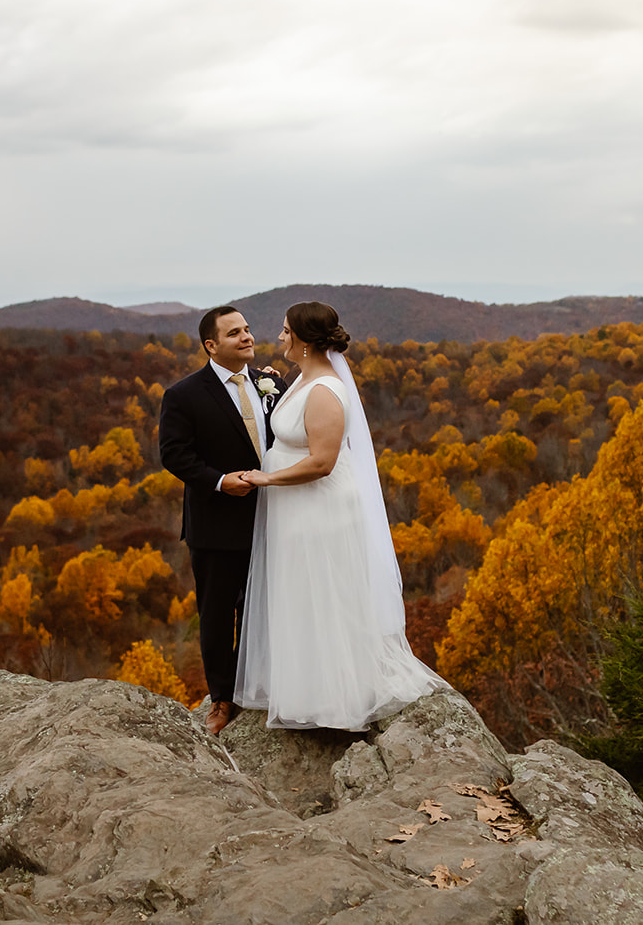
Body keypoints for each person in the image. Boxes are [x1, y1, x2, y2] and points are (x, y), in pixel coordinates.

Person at [233, 301, 446, 730]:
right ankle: (305, 687)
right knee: (301, 591)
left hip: (319, 506)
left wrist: (264, 480)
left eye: (285, 331)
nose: (278, 338)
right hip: (296, 508)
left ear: (305, 341)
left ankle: (335, 698)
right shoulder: (300, 379)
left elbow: (322, 462)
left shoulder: (326, 391)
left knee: (324, 593)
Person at [158, 307, 288, 736]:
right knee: (217, 617)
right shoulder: (184, 395)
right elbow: (175, 455)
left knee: (265, 609)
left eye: (248, 329)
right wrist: (218, 482)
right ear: (212, 345)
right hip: (216, 525)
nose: (247, 337)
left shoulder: (271, 385)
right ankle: (221, 700)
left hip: (272, 521)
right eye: (235, 333)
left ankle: (264, 685)